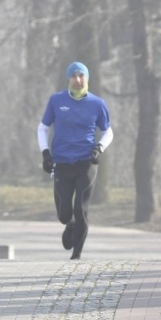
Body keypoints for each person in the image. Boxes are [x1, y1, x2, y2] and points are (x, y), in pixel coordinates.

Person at [37, 61, 113, 260]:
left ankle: (76, 255)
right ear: (68, 78)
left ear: (87, 79)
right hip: (62, 163)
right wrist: (45, 152)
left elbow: (108, 131)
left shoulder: (97, 104)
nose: (78, 80)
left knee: (81, 208)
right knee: (64, 214)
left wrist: (99, 148)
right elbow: (42, 128)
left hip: (86, 163)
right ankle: (69, 224)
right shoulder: (56, 101)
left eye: (82, 76)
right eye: (74, 76)